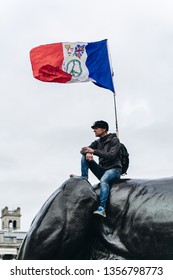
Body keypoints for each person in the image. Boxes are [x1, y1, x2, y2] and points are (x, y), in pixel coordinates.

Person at [71, 120, 122, 218]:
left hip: (114, 170)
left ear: (104, 129)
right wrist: (88, 153)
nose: (94, 130)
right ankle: (84, 178)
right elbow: (83, 150)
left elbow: (111, 155)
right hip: (102, 170)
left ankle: (102, 208)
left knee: (104, 181)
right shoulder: (97, 142)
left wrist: (93, 151)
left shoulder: (114, 140)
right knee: (84, 157)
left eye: (96, 128)